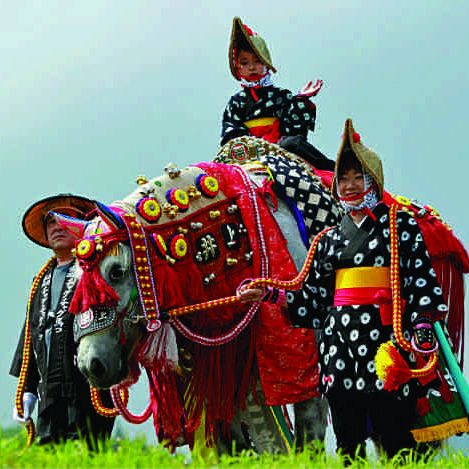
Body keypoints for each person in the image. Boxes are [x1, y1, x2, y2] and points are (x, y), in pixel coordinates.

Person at [237, 119, 448, 461]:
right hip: (340, 349)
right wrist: (269, 295)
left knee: (395, 437)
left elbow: (420, 278)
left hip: (385, 345)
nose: (349, 186)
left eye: (357, 177)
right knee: (348, 442)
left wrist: (422, 324)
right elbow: (313, 300)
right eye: (343, 178)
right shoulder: (328, 239)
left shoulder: (400, 225)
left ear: (373, 181)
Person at [10, 194, 115, 448]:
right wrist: (27, 390)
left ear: (83, 228)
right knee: (46, 457)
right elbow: (31, 338)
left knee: (84, 456)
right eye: (51, 222)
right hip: (49, 394)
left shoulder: (98, 271)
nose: (58, 227)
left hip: (87, 389)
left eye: (67, 219)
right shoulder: (41, 281)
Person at [220, 17, 334, 170]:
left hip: (280, 148)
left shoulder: (281, 95)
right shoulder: (236, 101)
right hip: (249, 152)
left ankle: (332, 172)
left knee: (294, 143)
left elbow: (294, 129)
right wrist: (254, 144)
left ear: (266, 62)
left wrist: (300, 100)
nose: (252, 67)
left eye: (257, 61)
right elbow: (231, 132)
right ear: (238, 68)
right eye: (245, 63)